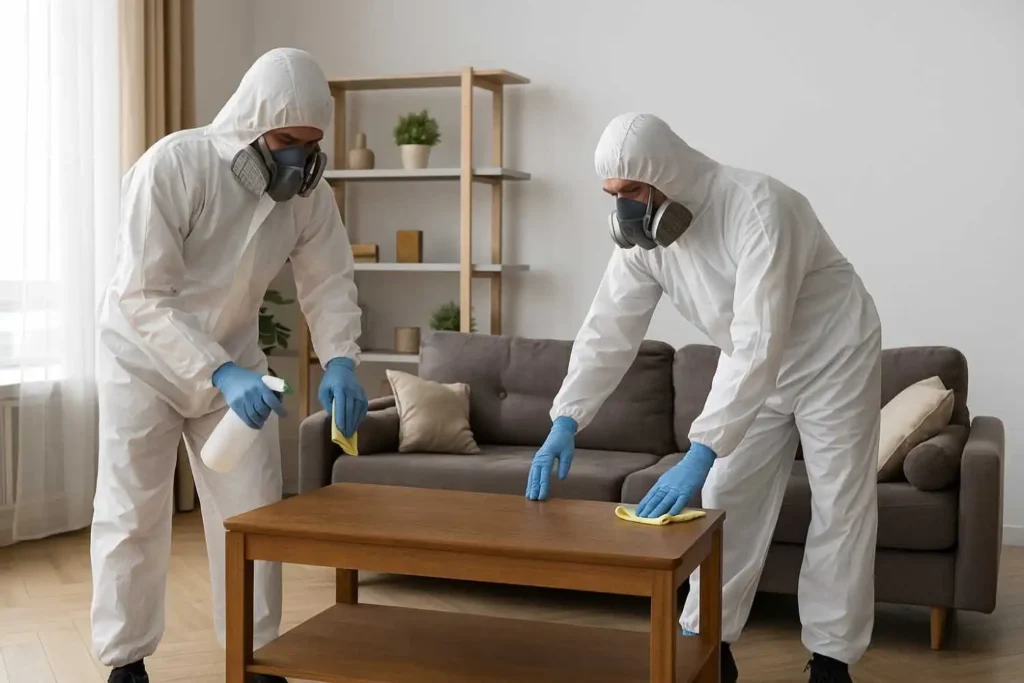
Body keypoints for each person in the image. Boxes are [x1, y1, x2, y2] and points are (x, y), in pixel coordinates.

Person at [525, 113, 881, 683]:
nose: (625, 209)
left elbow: (761, 337)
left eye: (634, 191)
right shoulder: (645, 242)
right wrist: (565, 418)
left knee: (840, 503)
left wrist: (701, 448)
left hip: (831, 356)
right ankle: (710, 645)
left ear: (668, 175)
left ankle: (832, 660)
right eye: (614, 196)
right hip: (753, 370)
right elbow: (609, 327)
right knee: (722, 502)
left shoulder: (761, 208)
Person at [90, 48, 368, 683]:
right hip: (144, 361)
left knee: (254, 514)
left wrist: (342, 361)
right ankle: (126, 660)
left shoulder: (308, 196)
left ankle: (254, 654)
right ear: (252, 128)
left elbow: (328, 283)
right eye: (287, 140)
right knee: (132, 511)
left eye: (312, 143)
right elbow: (139, 295)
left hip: (236, 363)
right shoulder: (174, 166)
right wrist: (214, 370)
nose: (301, 157)